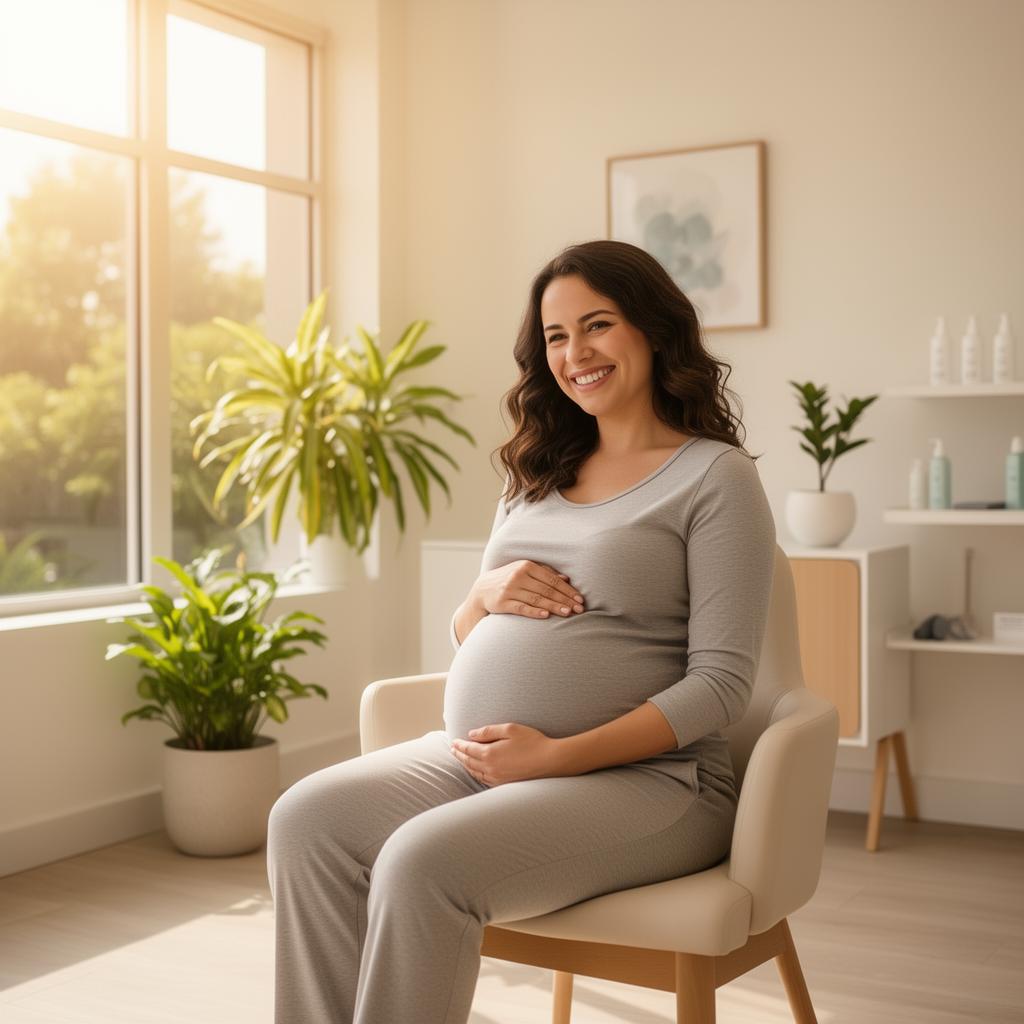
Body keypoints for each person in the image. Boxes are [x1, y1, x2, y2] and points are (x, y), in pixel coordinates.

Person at [266, 239, 777, 1023]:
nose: (577, 353)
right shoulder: (537, 469)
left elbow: (721, 687)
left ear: (651, 329)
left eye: (597, 325)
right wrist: (479, 597)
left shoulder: (716, 477)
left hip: (654, 785)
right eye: (556, 336)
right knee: (304, 820)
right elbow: (472, 634)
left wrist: (557, 756)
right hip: (484, 762)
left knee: (420, 862)